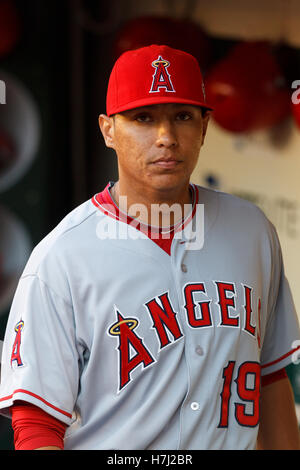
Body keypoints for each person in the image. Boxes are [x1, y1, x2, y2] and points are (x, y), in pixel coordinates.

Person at [0, 44, 300, 451]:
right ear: (108, 129)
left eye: (182, 117)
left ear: (205, 127)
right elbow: (36, 424)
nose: (167, 138)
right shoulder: (62, 258)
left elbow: (270, 376)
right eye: (144, 118)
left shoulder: (253, 232)